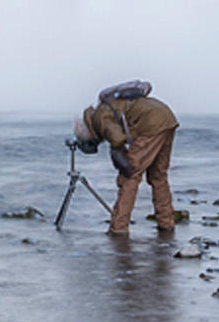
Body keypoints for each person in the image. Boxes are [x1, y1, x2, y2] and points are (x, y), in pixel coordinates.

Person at [75, 80, 181, 235]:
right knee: (158, 176)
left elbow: (117, 138)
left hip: (150, 123)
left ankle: (119, 228)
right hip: (166, 117)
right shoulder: (106, 108)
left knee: (129, 177)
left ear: (88, 132)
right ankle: (166, 223)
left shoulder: (99, 116)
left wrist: (118, 155)